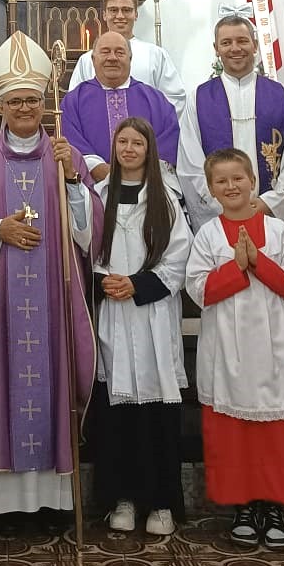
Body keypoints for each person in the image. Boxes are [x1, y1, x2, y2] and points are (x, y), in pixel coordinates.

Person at [0, 31, 103, 522]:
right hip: (0, 304)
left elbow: (89, 230)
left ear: (43, 103)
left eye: (31, 101)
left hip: (52, 295)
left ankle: (54, 501)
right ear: (0, 102)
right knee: (5, 388)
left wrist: (76, 181)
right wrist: (0, 230)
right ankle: (6, 505)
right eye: (15, 101)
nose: (23, 109)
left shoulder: (64, 157)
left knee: (50, 383)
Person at [185, 149, 284, 549]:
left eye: (237, 178)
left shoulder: (276, 232)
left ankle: (275, 505)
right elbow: (198, 290)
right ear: (210, 190)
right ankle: (241, 505)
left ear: (253, 181)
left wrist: (258, 262)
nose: (231, 186)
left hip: (272, 348)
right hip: (228, 349)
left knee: (275, 433)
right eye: (221, 181)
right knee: (233, 433)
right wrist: (236, 268)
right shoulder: (207, 235)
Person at [90, 118, 189, 536]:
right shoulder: (96, 196)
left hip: (151, 314)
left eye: (137, 142)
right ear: (113, 147)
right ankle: (122, 499)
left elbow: (179, 255)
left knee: (156, 414)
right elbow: (82, 244)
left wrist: (138, 284)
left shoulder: (165, 197)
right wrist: (103, 280)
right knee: (116, 416)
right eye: (122, 141)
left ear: (149, 150)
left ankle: (162, 503)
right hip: (112, 314)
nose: (129, 148)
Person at [177, 14, 284, 230]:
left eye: (242, 41)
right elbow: (190, 165)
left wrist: (268, 203)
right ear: (216, 48)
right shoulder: (199, 99)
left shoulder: (282, 96)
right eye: (226, 43)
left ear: (255, 45)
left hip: (269, 217)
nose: (235, 48)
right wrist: (224, 206)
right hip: (218, 218)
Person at [63, 32, 180, 193]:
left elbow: (168, 140)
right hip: (93, 191)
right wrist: (98, 168)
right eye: (105, 52)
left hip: (146, 191)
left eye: (120, 52)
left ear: (130, 59)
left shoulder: (155, 100)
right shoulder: (74, 100)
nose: (112, 58)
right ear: (93, 59)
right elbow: (71, 141)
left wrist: (137, 174)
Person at [69, 0, 186, 115]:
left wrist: (150, 129)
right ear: (104, 15)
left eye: (126, 10)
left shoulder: (155, 55)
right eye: (113, 10)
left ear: (136, 14)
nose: (120, 16)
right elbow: (74, 103)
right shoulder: (87, 59)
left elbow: (175, 98)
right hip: (97, 130)